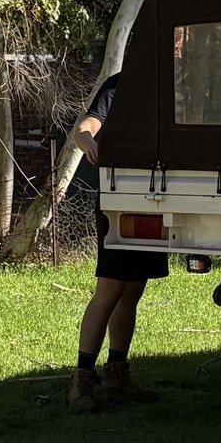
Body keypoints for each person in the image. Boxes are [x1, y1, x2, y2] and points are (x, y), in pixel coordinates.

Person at [69, 72, 166, 412]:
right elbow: (85, 129)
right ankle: (81, 381)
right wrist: (88, 142)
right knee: (110, 289)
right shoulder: (119, 85)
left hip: (156, 198)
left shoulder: (175, 83)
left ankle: (117, 373)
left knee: (133, 290)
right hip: (119, 197)